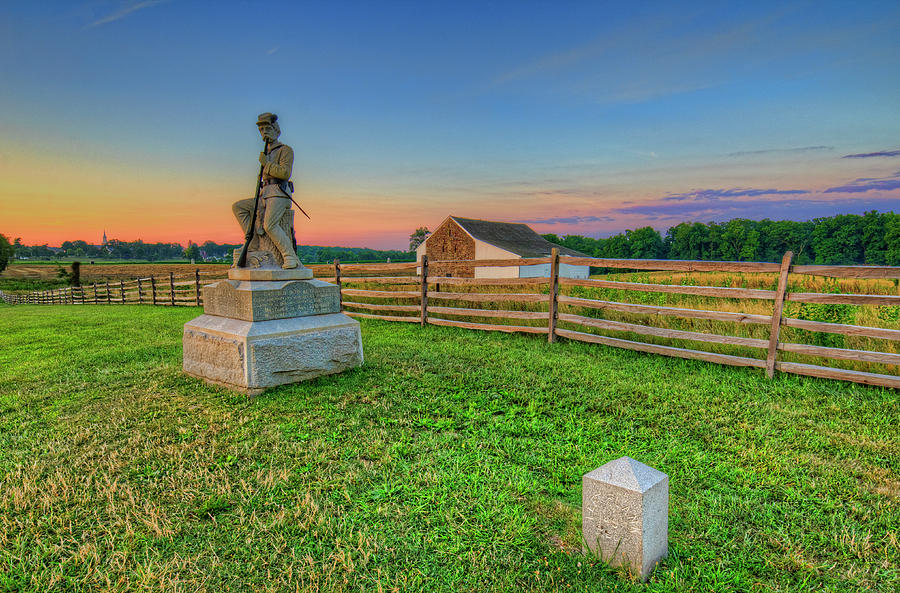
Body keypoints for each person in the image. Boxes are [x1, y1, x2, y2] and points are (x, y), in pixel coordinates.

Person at [232, 112, 301, 269]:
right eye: (262, 130)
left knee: (270, 225)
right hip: (265, 194)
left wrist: (267, 163)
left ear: (276, 130)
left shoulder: (285, 150)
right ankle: (253, 242)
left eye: (267, 128)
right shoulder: (267, 152)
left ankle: (289, 256)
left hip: (279, 193)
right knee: (239, 207)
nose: (264, 132)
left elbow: (285, 173)